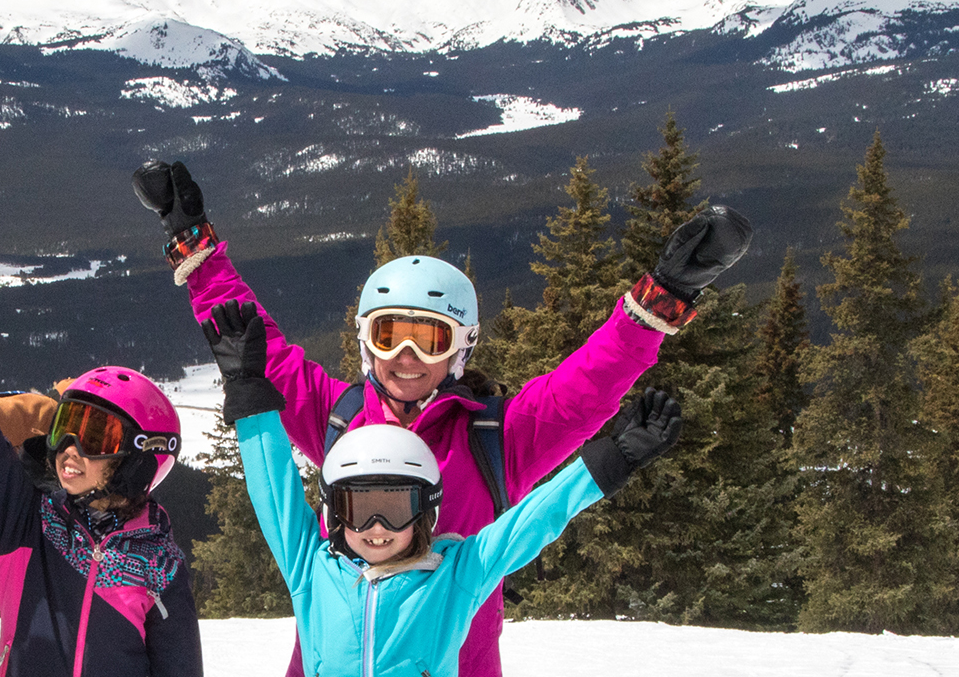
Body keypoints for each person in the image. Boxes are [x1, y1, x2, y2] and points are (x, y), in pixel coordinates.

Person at [131, 160, 750, 677]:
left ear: (461, 349)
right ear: (365, 341)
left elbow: (583, 389)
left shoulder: (497, 437)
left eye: (429, 339)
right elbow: (256, 346)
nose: (406, 358)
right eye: (388, 336)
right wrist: (196, 247)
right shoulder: (338, 417)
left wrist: (664, 297)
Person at [210, 294, 683, 676]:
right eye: (358, 508)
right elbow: (275, 489)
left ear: (428, 511)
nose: (376, 528)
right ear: (335, 511)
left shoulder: (456, 572)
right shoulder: (311, 570)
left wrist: (608, 464)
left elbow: (535, 521)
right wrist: (248, 392)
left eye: (396, 509)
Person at [0, 330, 203, 677]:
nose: (70, 448)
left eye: (95, 438)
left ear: (137, 461)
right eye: (66, 427)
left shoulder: (160, 564)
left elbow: (179, 666)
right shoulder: (29, 521)